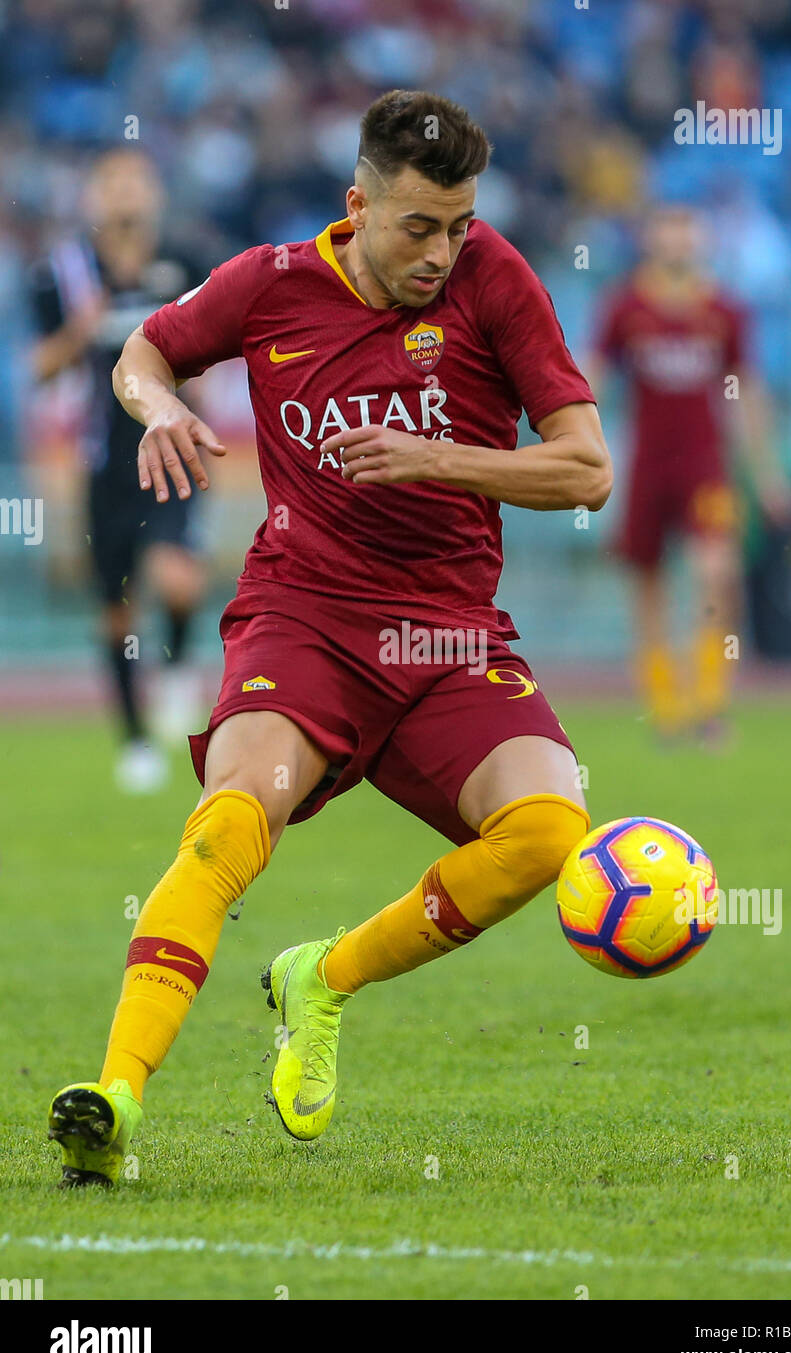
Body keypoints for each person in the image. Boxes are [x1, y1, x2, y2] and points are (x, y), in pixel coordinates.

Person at [48, 90, 612, 1186]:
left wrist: (437, 457)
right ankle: (113, 1101)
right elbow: (141, 351)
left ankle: (325, 976)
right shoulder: (268, 285)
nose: (441, 252)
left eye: (457, 225)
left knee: (548, 833)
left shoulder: (496, 278)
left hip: (449, 636)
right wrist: (157, 407)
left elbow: (586, 466)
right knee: (227, 822)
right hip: (302, 615)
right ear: (356, 206)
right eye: (417, 228)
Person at [30, 149, 210, 792]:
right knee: (116, 610)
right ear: (94, 199)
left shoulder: (185, 264)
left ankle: (180, 668)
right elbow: (40, 369)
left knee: (179, 578)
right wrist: (87, 325)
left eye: (137, 181)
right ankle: (135, 742)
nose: (126, 196)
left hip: (171, 447)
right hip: (103, 461)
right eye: (113, 184)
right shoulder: (63, 273)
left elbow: (216, 349)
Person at [590, 204, 791, 744]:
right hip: (648, 465)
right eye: (669, 230)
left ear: (701, 241)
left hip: (707, 464)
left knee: (716, 576)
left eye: (688, 231)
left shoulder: (725, 311)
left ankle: (708, 704)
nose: (679, 241)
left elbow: (747, 391)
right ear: (652, 239)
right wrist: (583, 448)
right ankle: (665, 708)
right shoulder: (625, 306)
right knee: (648, 587)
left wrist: (768, 473)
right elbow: (593, 379)